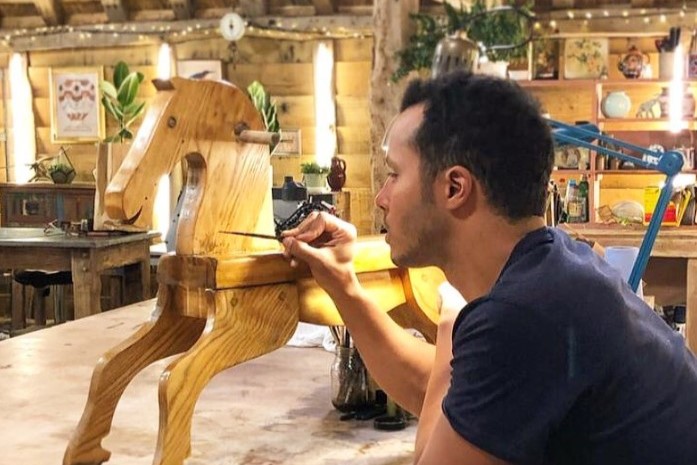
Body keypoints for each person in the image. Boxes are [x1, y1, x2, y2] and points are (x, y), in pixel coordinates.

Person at [281, 70, 697, 465]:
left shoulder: (524, 313)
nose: (381, 197)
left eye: (394, 173)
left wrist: (450, 323)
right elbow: (443, 392)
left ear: (455, 188)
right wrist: (344, 286)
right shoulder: (558, 269)